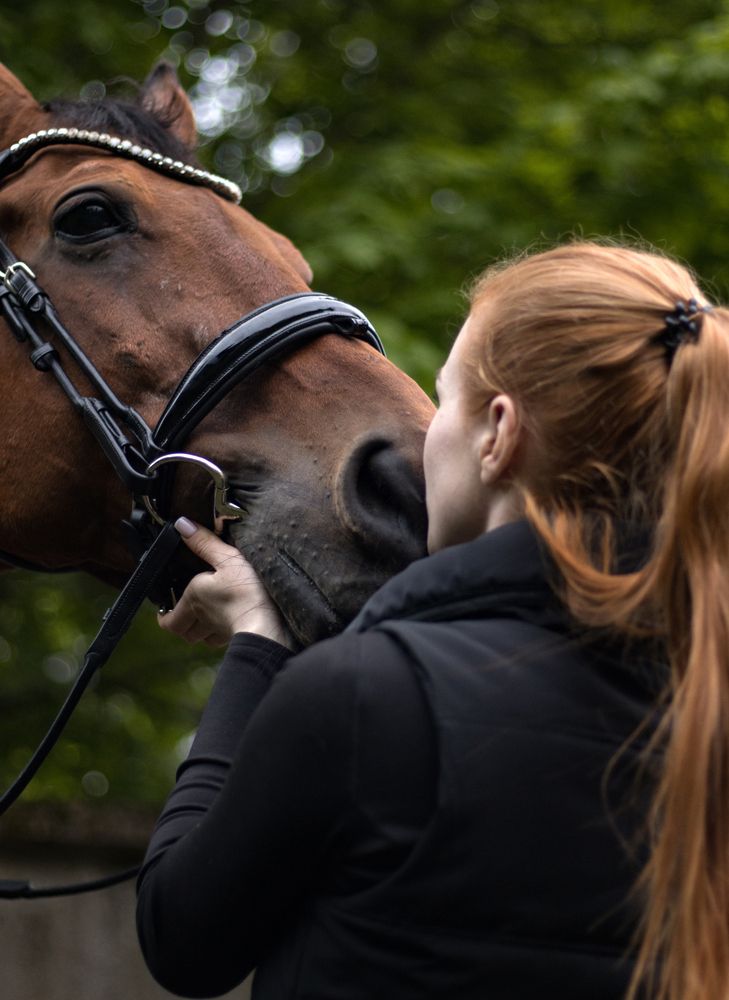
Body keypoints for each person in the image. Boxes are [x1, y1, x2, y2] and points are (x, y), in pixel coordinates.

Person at [136, 241, 729, 1000]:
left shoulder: (365, 696)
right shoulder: (701, 687)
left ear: (499, 434)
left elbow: (180, 939)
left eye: (444, 400)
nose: (426, 436)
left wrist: (256, 645)